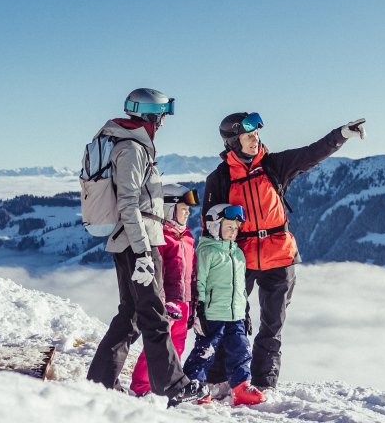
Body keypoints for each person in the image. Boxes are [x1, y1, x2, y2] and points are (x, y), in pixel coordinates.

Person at [202, 112, 366, 391]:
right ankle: (218, 380)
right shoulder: (219, 179)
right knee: (230, 320)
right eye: (248, 135)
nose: (255, 139)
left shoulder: (274, 165)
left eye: (256, 134)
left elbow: (312, 153)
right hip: (240, 259)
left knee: (272, 325)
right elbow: (209, 227)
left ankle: (264, 385)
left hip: (280, 256)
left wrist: (342, 135)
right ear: (232, 141)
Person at [85, 88, 206, 407]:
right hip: (139, 241)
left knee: (131, 316)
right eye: (163, 116)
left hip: (131, 240)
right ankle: (174, 385)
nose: (164, 123)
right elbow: (128, 203)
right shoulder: (132, 149)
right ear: (152, 116)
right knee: (154, 313)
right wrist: (142, 253)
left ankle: (100, 382)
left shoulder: (130, 144)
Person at [181, 203, 264, 407]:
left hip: (235, 314)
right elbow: (198, 282)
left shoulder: (238, 254)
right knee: (206, 350)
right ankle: (194, 385)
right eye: (229, 227)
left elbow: (241, 287)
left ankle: (241, 387)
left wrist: (245, 311)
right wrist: (198, 310)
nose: (233, 232)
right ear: (214, 226)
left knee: (241, 350)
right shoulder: (207, 252)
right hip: (212, 313)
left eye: (236, 228)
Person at [128, 183, 199, 397]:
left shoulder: (187, 237)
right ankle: (141, 386)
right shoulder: (161, 238)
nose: (187, 213)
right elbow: (157, 274)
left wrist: (193, 304)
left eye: (188, 210)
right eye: (183, 208)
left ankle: (166, 385)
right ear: (169, 208)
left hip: (184, 302)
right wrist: (163, 302)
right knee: (159, 347)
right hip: (168, 302)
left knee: (177, 346)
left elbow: (193, 274)